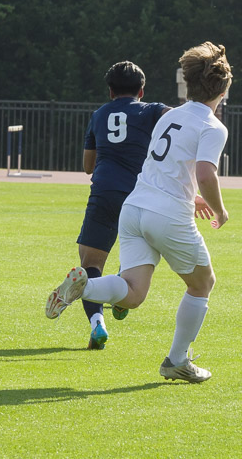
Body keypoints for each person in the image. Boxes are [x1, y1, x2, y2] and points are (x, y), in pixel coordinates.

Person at [46, 42, 232, 383]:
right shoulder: (212, 126)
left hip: (134, 208)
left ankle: (84, 287)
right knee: (203, 283)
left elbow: (162, 166)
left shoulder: (170, 116)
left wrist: (191, 197)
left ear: (188, 83)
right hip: (167, 216)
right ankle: (177, 360)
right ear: (223, 89)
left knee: (133, 293)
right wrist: (219, 209)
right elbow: (206, 173)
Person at [74, 60, 212, 350]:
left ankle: (97, 324)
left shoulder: (99, 114)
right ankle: (122, 290)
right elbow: (182, 120)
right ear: (142, 89)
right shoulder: (151, 110)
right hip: (141, 196)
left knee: (90, 265)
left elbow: (88, 165)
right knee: (139, 254)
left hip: (104, 194)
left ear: (110, 91)